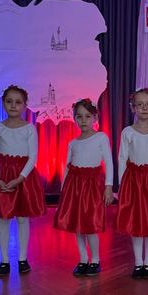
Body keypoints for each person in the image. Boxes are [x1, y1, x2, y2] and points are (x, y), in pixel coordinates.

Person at [0, 85, 46, 277]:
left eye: (18, 102)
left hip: (23, 178)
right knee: (3, 218)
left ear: (25, 105)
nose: (13, 105)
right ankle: (4, 260)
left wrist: (20, 178)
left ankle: (22, 258)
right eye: (9, 101)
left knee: (22, 218)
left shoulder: (29, 129)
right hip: (2, 176)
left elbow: (33, 157)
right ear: (3, 103)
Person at [54, 98, 113, 276]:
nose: (83, 120)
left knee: (90, 224)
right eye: (79, 116)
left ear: (95, 118)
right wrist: (63, 191)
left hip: (92, 186)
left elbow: (109, 163)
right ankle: (82, 259)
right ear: (74, 119)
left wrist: (108, 187)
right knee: (77, 225)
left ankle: (95, 260)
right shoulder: (73, 143)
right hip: (74, 186)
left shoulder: (101, 137)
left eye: (87, 116)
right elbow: (67, 167)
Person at [116, 88, 148, 279]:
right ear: (133, 108)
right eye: (140, 104)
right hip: (134, 182)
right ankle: (138, 263)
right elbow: (122, 158)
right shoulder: (128, 132)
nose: (144, 108)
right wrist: (122, 184)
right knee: (136, 221)